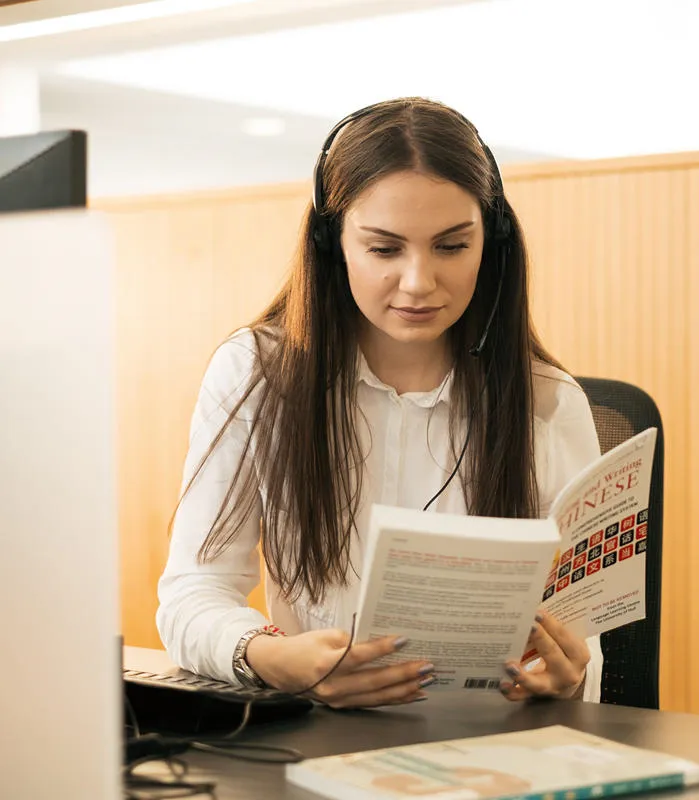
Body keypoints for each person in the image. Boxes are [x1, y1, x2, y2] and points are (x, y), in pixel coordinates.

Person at [157, 97, 603, 710]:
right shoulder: (258, 373)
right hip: (314, 741)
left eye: (451, 247)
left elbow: (581, 637)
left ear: (491, 243)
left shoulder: (548, 404)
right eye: (384, 249)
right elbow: (192, 592)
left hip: (487, 747)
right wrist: (273, 657)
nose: (419, 282)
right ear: (330, 243)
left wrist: (565, 677)